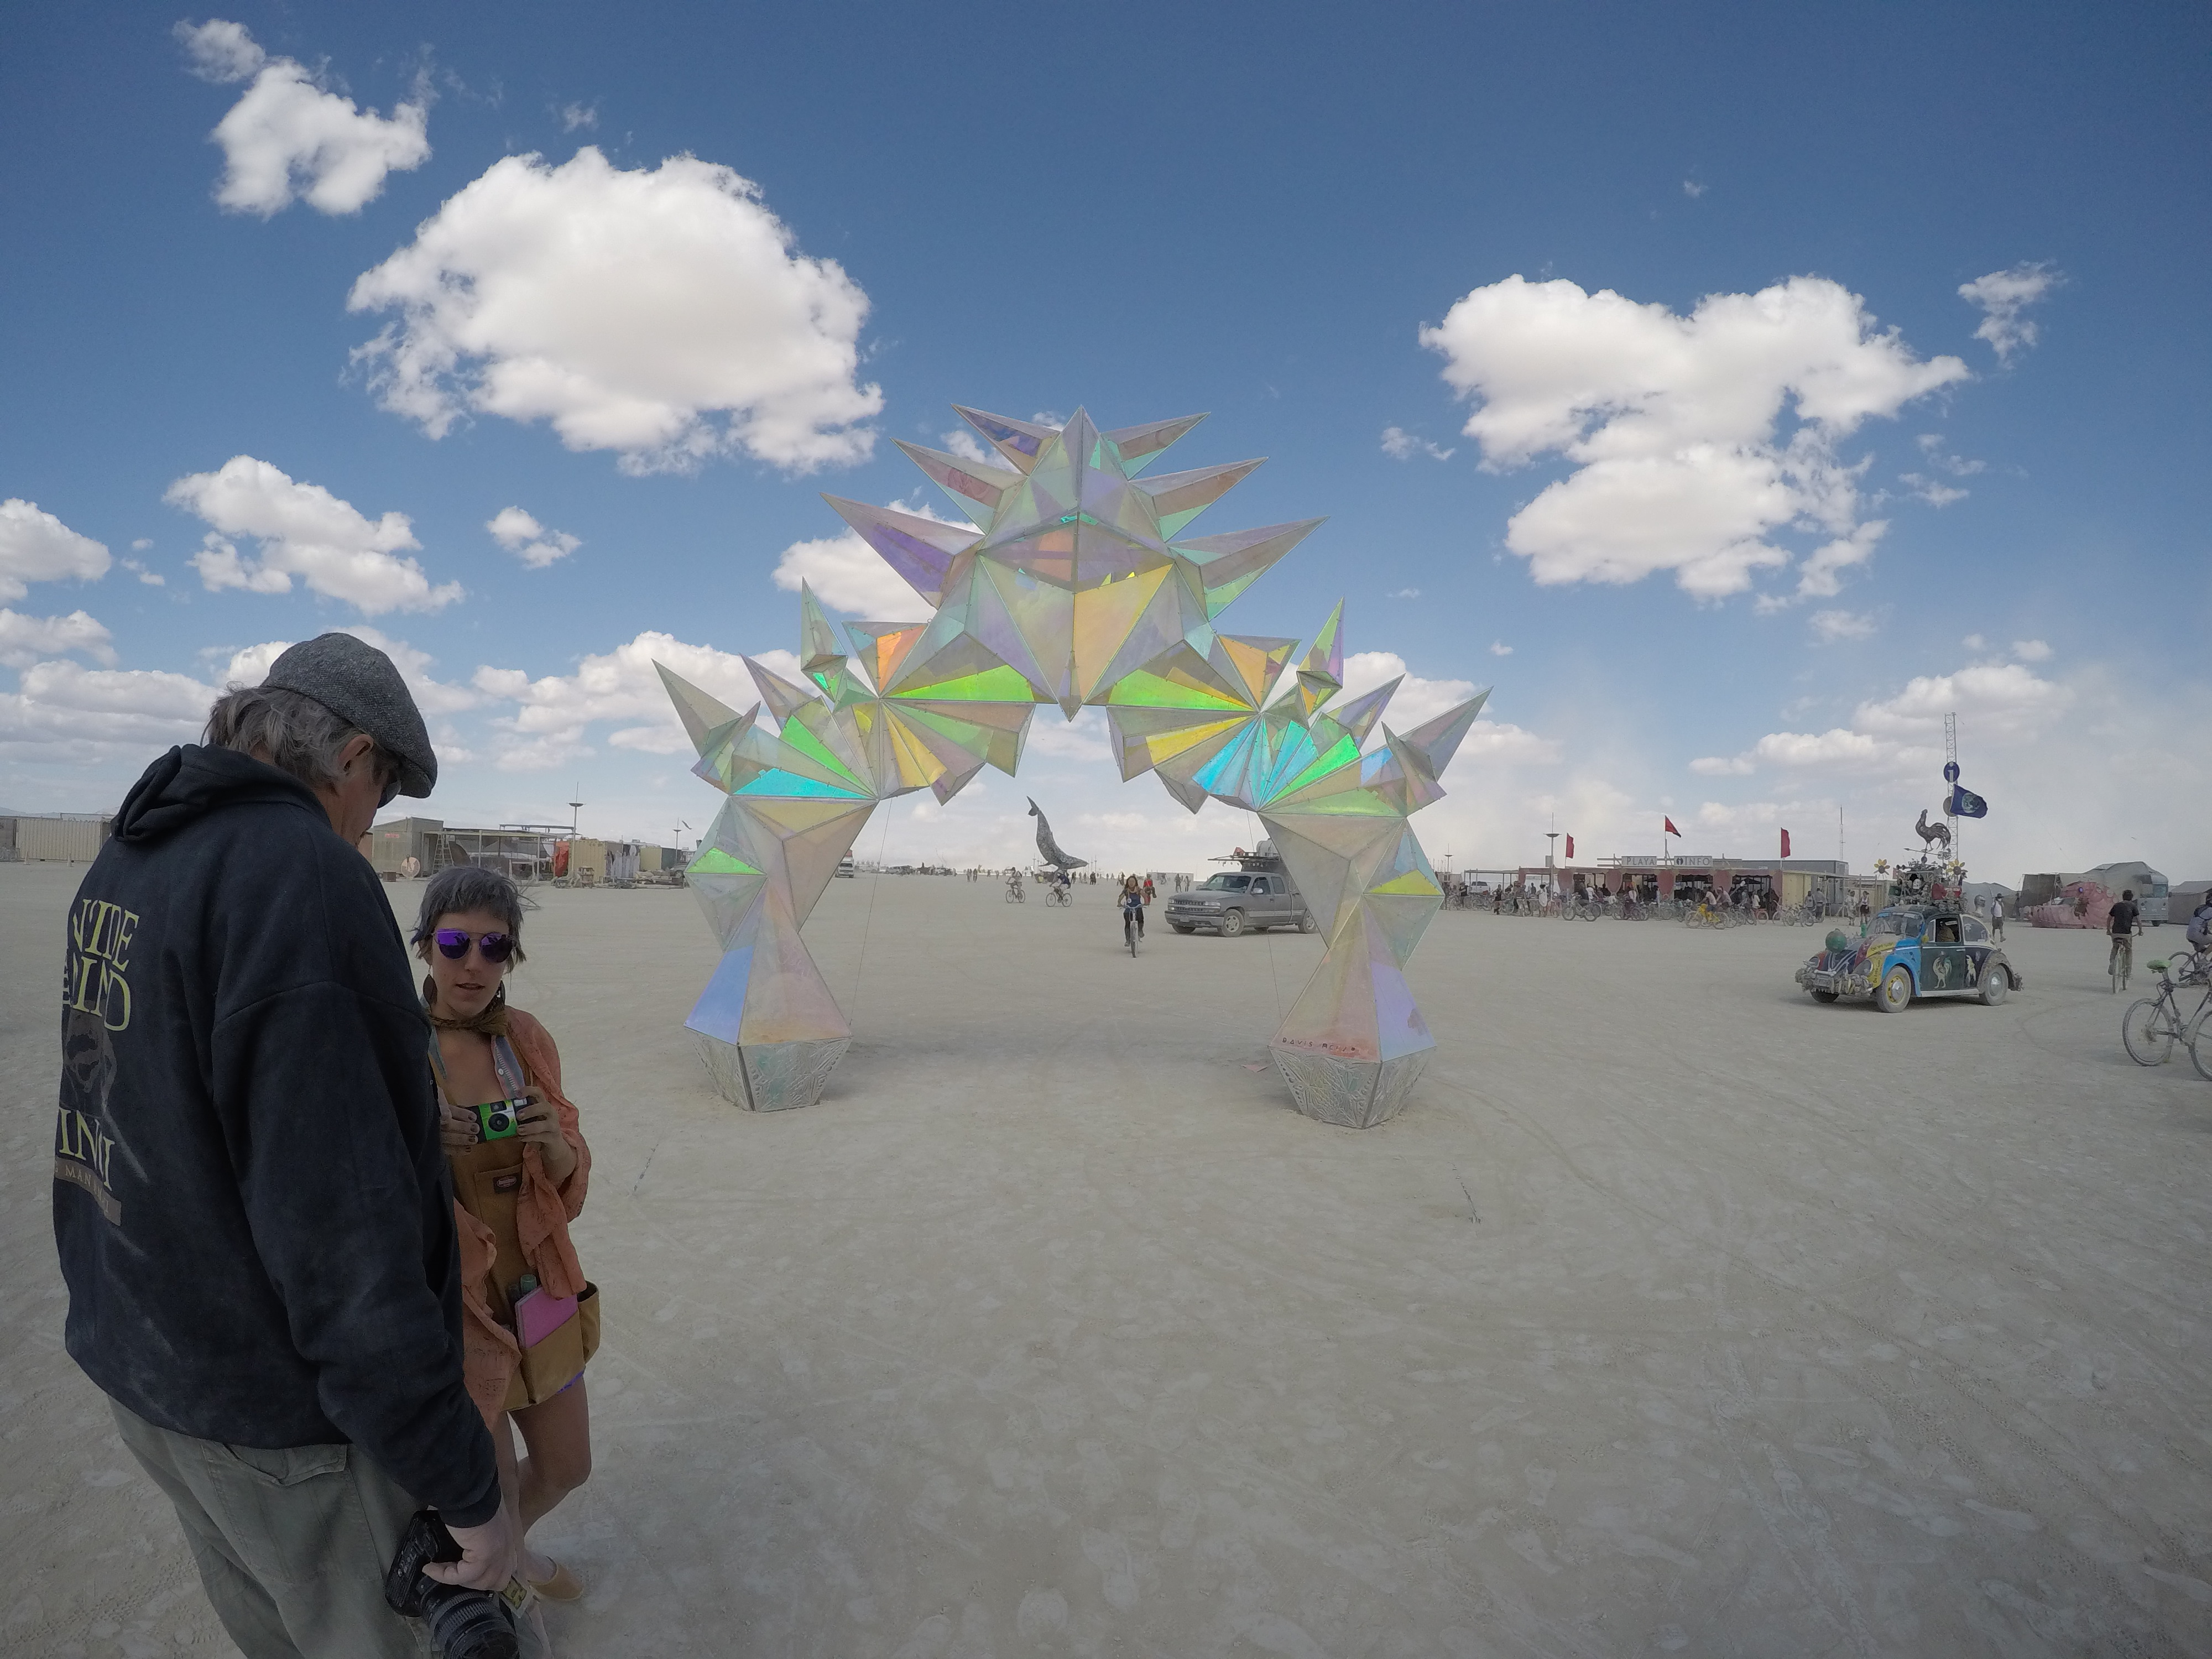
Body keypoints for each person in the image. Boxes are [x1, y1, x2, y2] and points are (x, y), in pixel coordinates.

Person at [53, 634, 523, 1656]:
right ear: (353, 757)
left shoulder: (132, 857)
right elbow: (343, 1232)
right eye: (381, 792)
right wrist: (465, 1486)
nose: (371, 822)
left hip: (149, 1376)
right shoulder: (304, 877)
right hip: (283, 1423)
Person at [415, 866, 596, 1604]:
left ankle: (513, 1554)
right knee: (490, 1493)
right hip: (457, 1307)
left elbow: (569, 1176)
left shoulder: (525, 1039)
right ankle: (510, 1596)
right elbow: (357, 1185)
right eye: (454, 943)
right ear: (425, 946)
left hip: (538, 1283)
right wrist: (424, 1149)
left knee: (567, 1466)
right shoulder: (396, 1046)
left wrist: (553, 1142)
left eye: (494, 947)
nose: (473, 964)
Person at [2108, 888, 2141, 992]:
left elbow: (2109, 918)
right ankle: (2128, 973)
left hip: (2115, 932)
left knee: (2115, 947)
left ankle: (2112, 963)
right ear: (2131, 898)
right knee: (2129, 950)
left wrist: (2108, 930)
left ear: (2123, 897)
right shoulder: (2133, 906)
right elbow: (2139, 920)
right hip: (2126, 933)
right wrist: (2140, 930)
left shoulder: (2116, 905)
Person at [1120, 873, 1146, 940]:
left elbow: (1144, 896)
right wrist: (1119, 903)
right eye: (1130, 881)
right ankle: (1128, 940)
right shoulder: (1126, 890)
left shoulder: (1138, 890)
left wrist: (1146, 903)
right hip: (1129, 908)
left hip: (1138, 907)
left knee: (1140, 918)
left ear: (1135, 882)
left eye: (1133, 881)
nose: (1131, 883)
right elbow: (1121, 897)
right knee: (1127, 923)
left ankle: (1140, 931)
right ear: (1128, 882)